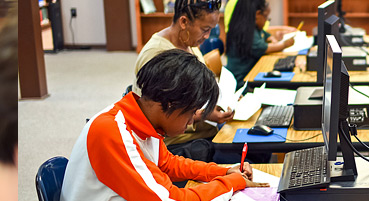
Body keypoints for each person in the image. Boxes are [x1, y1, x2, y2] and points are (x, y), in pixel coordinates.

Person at [62, 50, 268, 201]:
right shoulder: (112, 132)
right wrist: (232, 183)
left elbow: (168, 164)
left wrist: (222, 172)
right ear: (170, 103)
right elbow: (173, 199)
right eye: (190, 113)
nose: (190, 122)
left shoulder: (142, 117)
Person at [132, 0, 233, 159]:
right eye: (205, 29)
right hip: (177, 144)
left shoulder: (189, 42)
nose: (207, 36)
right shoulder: (156, 54)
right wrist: (204, 115)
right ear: (184, 21)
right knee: (244, 158)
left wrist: (217, 104)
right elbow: (155, 116)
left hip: (203, 132)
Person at [226, 0, 294, 90]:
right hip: (243, 84)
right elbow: (263, 48)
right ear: (257, 14)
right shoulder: (246, 32)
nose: (266, 20)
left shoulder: (248, 27)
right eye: (266, 17)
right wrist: (285, 44)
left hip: (249, 78)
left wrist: (272, 39)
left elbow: (267, 36)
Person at [224, 0, 296, 38]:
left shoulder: (257, 3)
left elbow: (261, 32)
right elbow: (237, 35)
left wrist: (284, 30)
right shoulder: (236, 1)